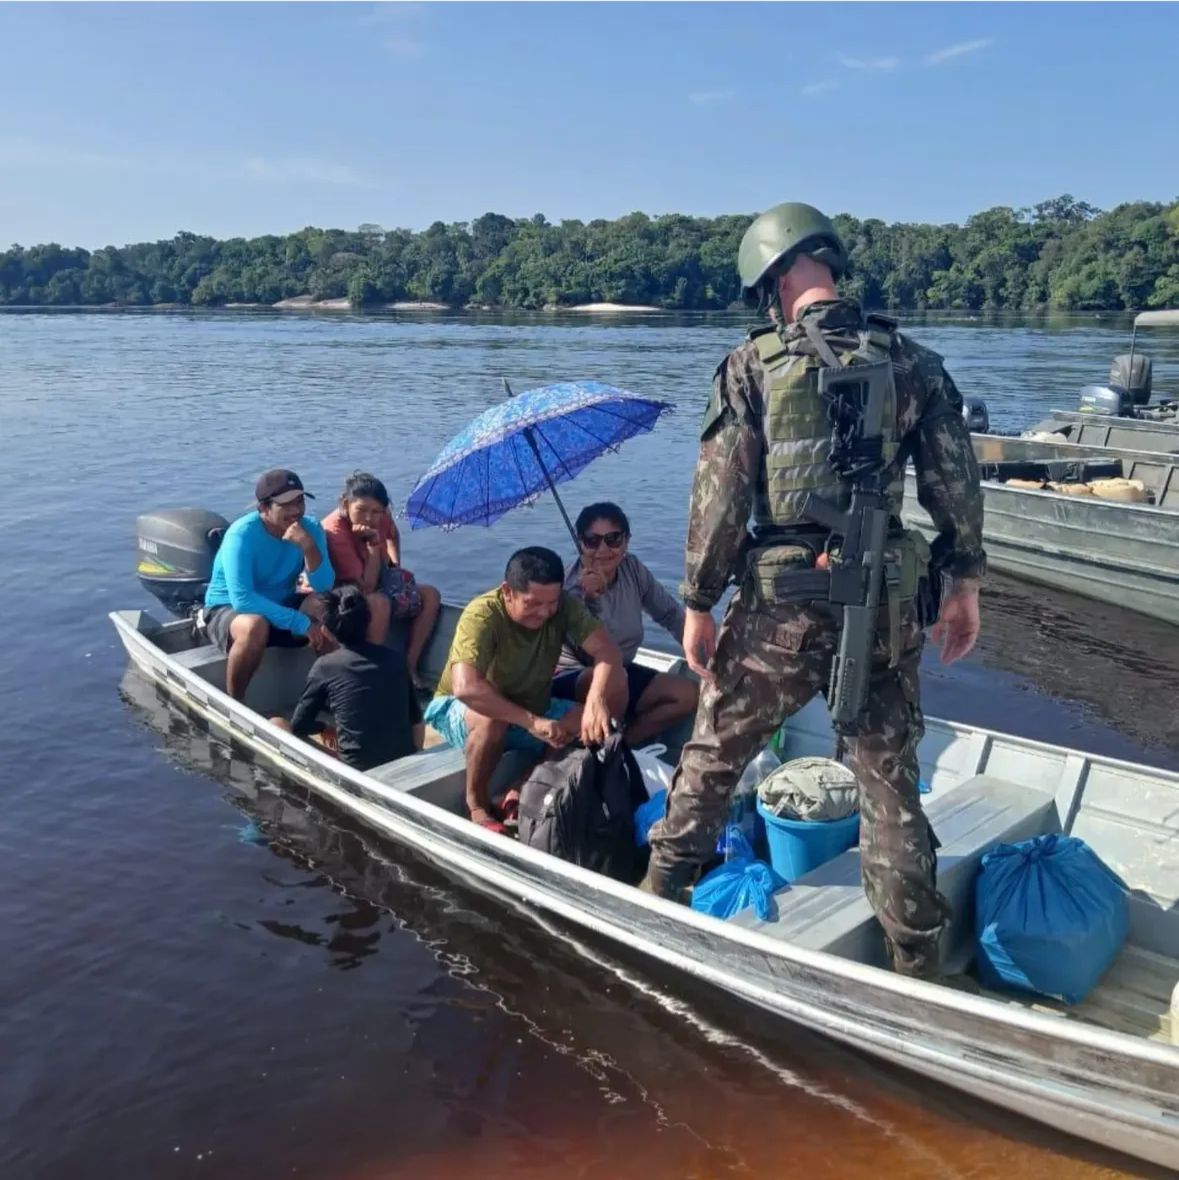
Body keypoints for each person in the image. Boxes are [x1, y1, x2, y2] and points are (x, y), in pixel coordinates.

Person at [643, 202, 986, 981]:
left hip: (782, 607)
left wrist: (697, 601)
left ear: (773, 277)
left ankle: (658, 893)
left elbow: (719, 501)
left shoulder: (750, 366)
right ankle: (915, 963)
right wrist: (963, 583)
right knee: (888, 785)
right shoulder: (914, 362)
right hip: (888, 605)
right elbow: (954, 487)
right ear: (827, 261)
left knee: (714, 756)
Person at [425, 546, 626, 833]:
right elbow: (465, 688)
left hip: (532, 705)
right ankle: (476, 804)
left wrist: (596, 701)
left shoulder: (564, 606)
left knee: (598, 707)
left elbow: (608, 651)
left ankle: (524, 785)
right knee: (492, 720)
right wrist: (531, 722)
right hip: (463, 708)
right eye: (532, 604)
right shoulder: (482, 614)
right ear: (508, 591)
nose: (544, 612)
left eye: (551, 603)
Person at [553, 502, 699, 747]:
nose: (603, 550)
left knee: (686, 695)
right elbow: (592, 653)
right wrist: (592, 600)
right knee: (614, 677)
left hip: (621, 670)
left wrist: (703, 653)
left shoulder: (633, 569)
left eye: (613, 539)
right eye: (592, 541)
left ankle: (624, 747)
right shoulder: (569, 588)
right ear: (580, 543)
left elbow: (670, 615)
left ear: (626, 540)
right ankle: (602, 750)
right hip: (575, 674)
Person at [203, 468, 336, 701]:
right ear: (264, 508)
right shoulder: (241, 535)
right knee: (254, 625)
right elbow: (243, 599)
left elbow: (324, 586)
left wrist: (309, 547)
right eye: (286, 505)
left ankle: (331, 694)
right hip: (229, 608)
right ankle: (236, 703)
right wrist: (299, 622)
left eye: (300, 501)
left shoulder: (311, 529)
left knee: (328, 607)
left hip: (280, 603)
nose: (296, 510)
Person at [274, 585, 421, 771]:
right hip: (402, 763)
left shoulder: (325, 666)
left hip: (356, 770)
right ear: (368, 622)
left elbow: (300, 725)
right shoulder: (397, 659)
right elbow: (416, 720)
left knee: (277, 723)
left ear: (326, 632)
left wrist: (324, 728)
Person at [321, 471, 441, 682]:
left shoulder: (381, 516)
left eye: (376, 511)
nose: (369, 518)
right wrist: (374, 546)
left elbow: (393, 535)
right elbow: (365, 587)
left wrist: (394, 567)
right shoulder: (334, 531)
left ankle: (408, 668)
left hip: (376, 578)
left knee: (430, 595)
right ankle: (371, 677)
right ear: (346, 504)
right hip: (343, 593)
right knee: (378, 604)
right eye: (361, 510)